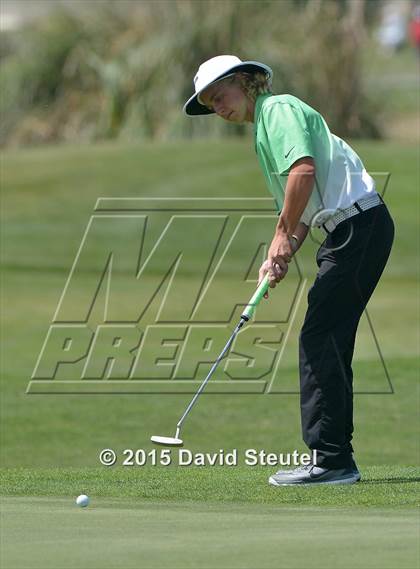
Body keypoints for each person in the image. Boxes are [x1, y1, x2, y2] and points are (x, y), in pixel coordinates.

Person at [183, 55, 394, 486]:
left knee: (320, 336)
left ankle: (332, 460)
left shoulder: (277, 109)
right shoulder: (265, 127)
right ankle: (332, 457)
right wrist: (281, 252)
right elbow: (303, 211)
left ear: (244, 82)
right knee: (325, 336)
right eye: (209, 103)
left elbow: (303, 170)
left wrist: (282, 233)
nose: (217, 108)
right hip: (348, 229)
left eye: (219, 96)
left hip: (357, 226)